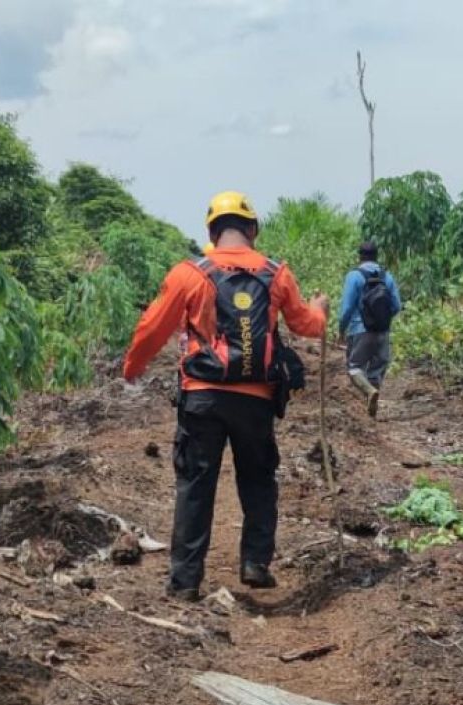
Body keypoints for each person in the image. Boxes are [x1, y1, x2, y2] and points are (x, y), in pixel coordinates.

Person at [123, 190, 328, 601]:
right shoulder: (277, 273)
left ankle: (184, 583)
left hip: (202, 396)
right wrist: (321, 309)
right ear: (252, 229)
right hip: (256, 398)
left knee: (196, 484)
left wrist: (132, 368)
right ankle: (255, 562)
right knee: (258, 479)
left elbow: (152, 327)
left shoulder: (189, 273)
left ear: (212, 233)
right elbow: (307, 325)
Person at [337, 241, 402, 417]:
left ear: (360, 256)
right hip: (383, 331)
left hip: (359, 330)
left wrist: (342, 329)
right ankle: (371, 410)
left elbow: (347, 307)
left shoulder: (354, 276)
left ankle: (369, 392)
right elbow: (396, 305)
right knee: (376, 370)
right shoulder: (386, 276)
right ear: (376, 256)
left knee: (354, 367)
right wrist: (382, 320)